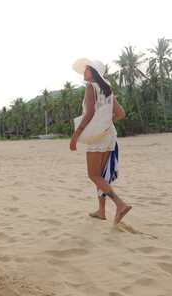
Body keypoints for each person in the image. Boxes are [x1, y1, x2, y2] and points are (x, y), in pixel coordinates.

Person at [69, 58, 132, 225]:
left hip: (97, 138)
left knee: (93, 175)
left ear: (94, 72)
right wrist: (105, 124)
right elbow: (121, 114)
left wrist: (76, 135)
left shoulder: (91, 87)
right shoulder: (107, 89)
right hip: (109, 135)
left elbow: (89, 114)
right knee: (101, 176)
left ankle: (120, 204)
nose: (84, 71)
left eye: (87, 69)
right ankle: (101, 211)